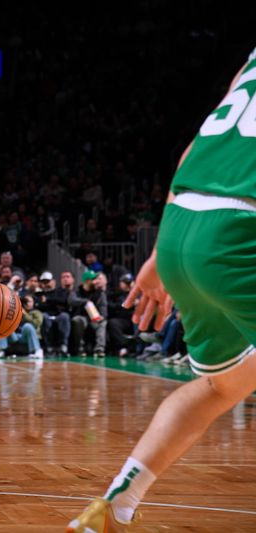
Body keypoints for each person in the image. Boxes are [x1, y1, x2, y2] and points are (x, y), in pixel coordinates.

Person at [68, 47, 256, 531]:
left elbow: (195, 148)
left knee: (222, 384)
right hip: (242, 226)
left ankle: (116, 504)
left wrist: (156, 255)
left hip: (181, 224)